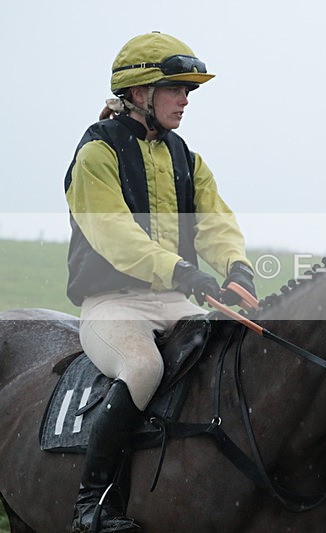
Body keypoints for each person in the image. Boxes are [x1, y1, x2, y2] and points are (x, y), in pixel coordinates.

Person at [64, 31, 257, 532]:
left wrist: (236, 265)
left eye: (188, 90)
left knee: (232, 351)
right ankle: (91, 505)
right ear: (139, 92)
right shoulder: (96, 154)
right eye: (175, 88)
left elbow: (214, 221)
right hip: (112, 305)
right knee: (144, 367)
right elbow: (115, 235)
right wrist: (183, 271)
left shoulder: (185, 157)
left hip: (172, 299)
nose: (185, 100)